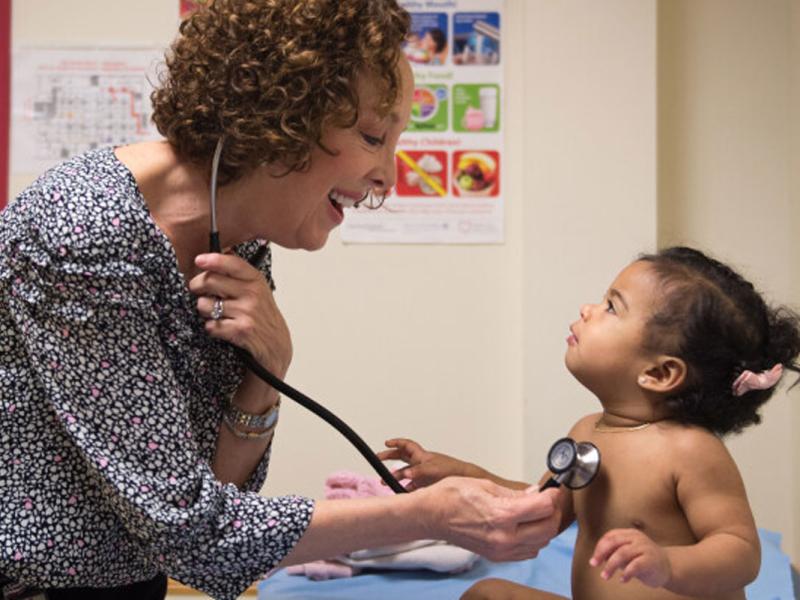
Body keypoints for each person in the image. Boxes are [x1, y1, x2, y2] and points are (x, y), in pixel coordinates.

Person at [0, 1, 562, 599]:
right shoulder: (84, 232)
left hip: (121, 580)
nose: (388, 178)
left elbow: (212, 505)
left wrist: (265, 373)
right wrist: (425, 515)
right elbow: (193, 532)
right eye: (374, 136)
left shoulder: (236, 238)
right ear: (282, 116)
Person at [378, 247, 800, 600]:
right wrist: (459, 475)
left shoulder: (690, 451)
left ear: (658, 374)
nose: (588, 309)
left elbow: (741, 553)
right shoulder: (586, 431)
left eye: (612, 307)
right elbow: (543, 509)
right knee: (487, 595)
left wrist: (667, 563)